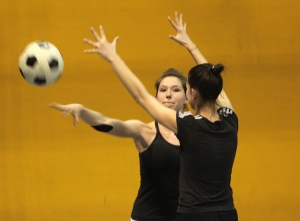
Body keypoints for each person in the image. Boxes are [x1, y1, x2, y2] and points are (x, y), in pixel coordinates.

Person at [83, 11, 238, 221]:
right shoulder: (230, 119)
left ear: (190, 93)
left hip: (193, 215)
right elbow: (213, 82)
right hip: (227, 214)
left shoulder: (188, 126)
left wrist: (113, 58)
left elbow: (141, 97)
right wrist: (191, 47)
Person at [50, 13, 204, 221]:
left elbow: (218, 93)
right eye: (163, 89)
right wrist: (83, 112)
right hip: (146, 217)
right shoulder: (144, 131)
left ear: (187, 95)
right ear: (156, 96)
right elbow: (109, 124)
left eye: (175, 89)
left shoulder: (199, 129)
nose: (168, 94)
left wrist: (191, 46)